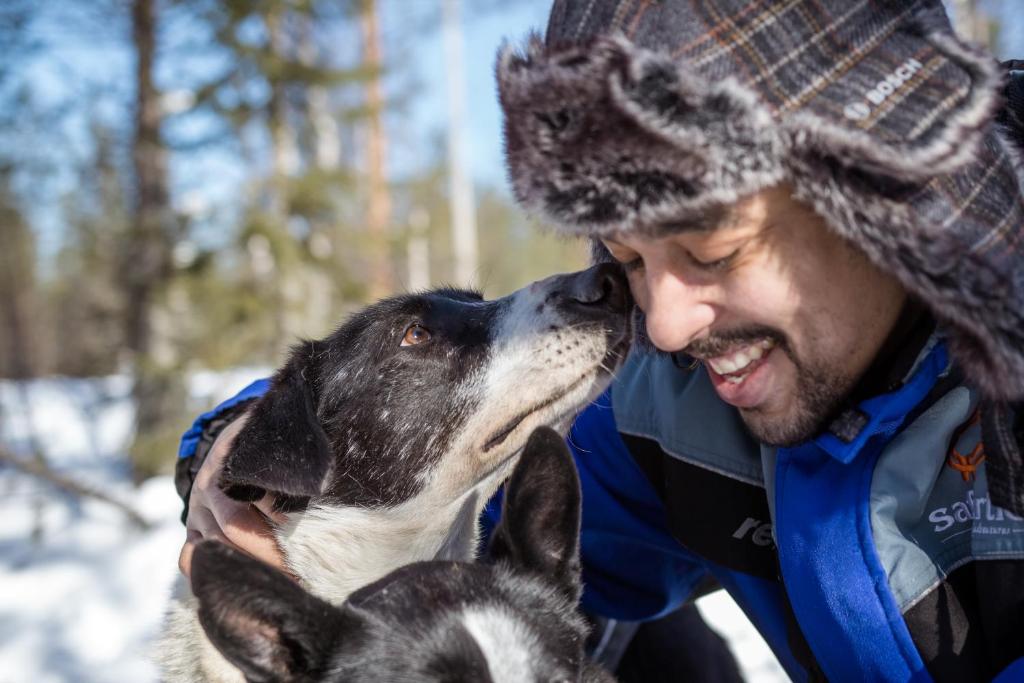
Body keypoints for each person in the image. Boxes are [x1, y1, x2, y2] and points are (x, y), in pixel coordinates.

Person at [175, 1, 1024, 680]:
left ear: (878, 185)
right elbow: (439, 521)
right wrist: (249, 440)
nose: (664, 323)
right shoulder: (674, 409)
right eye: (629, 263)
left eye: (711, 251)